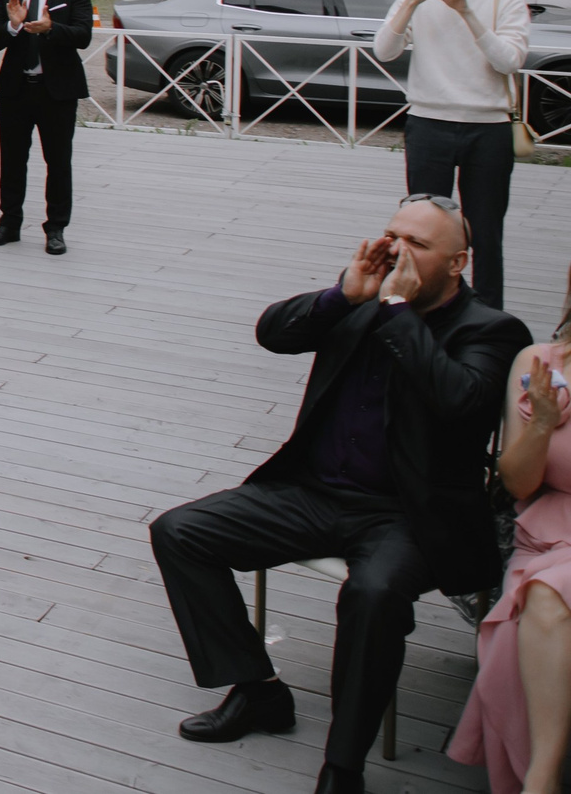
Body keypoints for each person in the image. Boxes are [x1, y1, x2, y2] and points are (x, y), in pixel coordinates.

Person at [149, 196, 527, 794]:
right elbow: (272, 334)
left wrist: (397, 309)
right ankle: (258, 690)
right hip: (314, 493)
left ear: (457, 263)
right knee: (180, 531)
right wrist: (342, 297)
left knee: (374, 595)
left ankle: (343, 765)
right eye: (390, 233)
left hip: (409, 517)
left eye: (417, 244)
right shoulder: (361, 299)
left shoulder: (492, 330)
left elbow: (460, 400)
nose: (395, 249)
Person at [374, 0, 530, 309]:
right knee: (421, 229)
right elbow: (385, 51)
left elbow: (508, 61)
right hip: (428, 123)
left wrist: (467, 12)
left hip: (488, 128)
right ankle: (420, 306)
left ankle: (488, 317)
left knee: (486, 231)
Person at [451, 278, 571, 793]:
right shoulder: (540, 364)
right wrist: (542, 425)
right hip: (547, 533)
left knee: (549, 594)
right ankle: (540, 780)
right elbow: (518, 483)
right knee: (543, 594)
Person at [0, 0, 92, 256]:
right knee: (12, 160)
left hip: (57, 91)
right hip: (16, 89)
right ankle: (9, 223)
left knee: (58, 161)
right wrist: (14, 25)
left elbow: (83, 35)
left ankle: (56, 228)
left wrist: (51, 29)